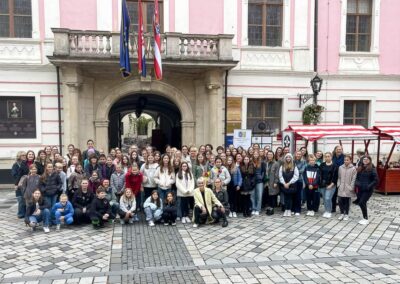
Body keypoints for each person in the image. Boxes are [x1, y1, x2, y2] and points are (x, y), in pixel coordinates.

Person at [355, 156, 378, 225]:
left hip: (368, 190)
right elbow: (357, 178)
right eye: (364, 159)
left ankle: (366, 219)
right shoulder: (360, 168)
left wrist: (369, 186)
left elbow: (376, 180)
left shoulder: (372, 169)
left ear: (369, 160)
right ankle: (364, 217)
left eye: (366, 159)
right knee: (362, 203)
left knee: (361, 202)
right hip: (360, 188)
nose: (365, 160)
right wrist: (357, 183)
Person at [337, 155, 357, 221]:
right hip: (341, 187)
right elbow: (339, 177)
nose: (346, 161)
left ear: (350, 160)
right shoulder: (340, 167)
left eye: (347, 160)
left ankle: (346, 214)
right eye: (345, 160)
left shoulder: (353, 169)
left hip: (348, 187)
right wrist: (338, 184)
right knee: (340, 201)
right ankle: (342, 213)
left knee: (347, 202)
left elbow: (354, 179)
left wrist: (351, 187)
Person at [319, 152, 338, 218]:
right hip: (322, 185)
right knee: (324, 198)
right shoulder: (322, 165)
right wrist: (320, 183)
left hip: (331, 185)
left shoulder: (335, 166)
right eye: (326, 156)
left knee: (328, 198)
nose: (327, 158)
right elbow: (320, 175)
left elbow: (335, 177)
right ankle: (326, 210)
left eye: (328, 156)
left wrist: (331, 185)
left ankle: (329, 211)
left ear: (331, 157)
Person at [11, 151, 29, 218]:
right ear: (19, 156)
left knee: (25, 199)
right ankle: (21, 214)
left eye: (25, 155)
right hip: (18, 184)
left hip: (26, 184)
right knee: (20, 199)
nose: (24, 156)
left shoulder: (26, 163)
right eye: (22, 155)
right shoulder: (16, 164)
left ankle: (25, 213)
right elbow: (14, 174)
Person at [251, 151, 265, 216]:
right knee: (253, 196)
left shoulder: (262, 162)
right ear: (253, 155)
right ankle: (253, 208)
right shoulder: (251, 162)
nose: (255, 155)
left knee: (259, 196)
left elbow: (263, 171)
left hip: (259, 181)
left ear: (258, 155)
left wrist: (261, 178)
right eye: (254, 154)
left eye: (257, 154)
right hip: (252, 181)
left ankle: (258, 209)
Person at [265, 151, 280, 216]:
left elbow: (277, 173)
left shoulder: (276, 163)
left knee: (273, 195)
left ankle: (272, 209)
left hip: (272, 181)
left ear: (273, 155)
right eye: (268, 154)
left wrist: (276, 182)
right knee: (267, 195)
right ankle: (269, 207)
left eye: (271, 154)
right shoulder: (265, 163)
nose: (269, 156)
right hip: (266, 181)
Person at [332, 145, 345, 213]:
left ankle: (342, 209)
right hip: (333, 178)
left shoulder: (344, 157)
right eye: (338, 149)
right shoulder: (332, 157)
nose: (339, 150)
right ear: (335, 150)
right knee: (333, 194)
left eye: (340, 149)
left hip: (342, 178)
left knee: (341, 195)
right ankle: (333, 208)